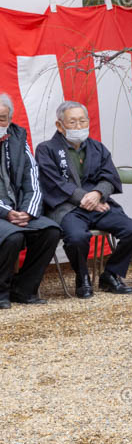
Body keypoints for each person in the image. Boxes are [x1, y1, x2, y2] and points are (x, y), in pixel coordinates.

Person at [36, 101, 132, 298]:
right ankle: (82, 276)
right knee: (77, 238)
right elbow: (53, 182)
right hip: (67, 208)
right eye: (73, 122)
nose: (79, 126)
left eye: (82, 121)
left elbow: (110, 177)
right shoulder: (46, 149)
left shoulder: (97, 148)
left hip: (99, 205)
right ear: (59, 125)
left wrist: (97, 195)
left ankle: (111, 275)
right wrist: (84, 198)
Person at [0, 93, 60, 308]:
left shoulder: (17, 139)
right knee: (12, 236)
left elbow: (32, 178)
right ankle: (1, 291)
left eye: (2, 118)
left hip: (18, 211)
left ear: (9, 120)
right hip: (2, 213)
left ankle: (24, 289)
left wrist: (28, 211)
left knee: (50, 230)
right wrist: (6, 212)